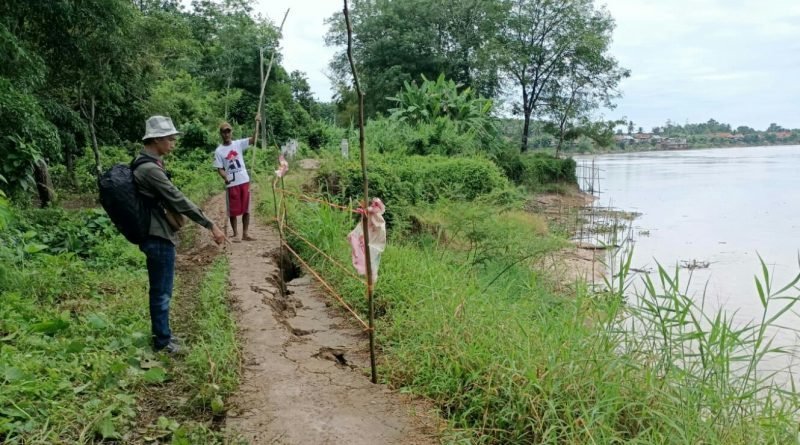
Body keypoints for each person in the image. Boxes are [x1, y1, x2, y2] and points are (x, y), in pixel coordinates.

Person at [135, 116, 226, 354]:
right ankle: (163, 342)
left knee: (162, 289)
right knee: (161, 291)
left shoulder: (145, 164)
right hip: (157, 236)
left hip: (155, 234)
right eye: (170, 138)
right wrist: (210, 224)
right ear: (156, 140)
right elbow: (178, 199)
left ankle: (163, 334)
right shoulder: (150, 170)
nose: (173, 143)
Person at [213, 115, 260, 241]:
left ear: (231, 132)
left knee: (246, 209)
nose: (227, 134)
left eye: (228, 131)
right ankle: (235, 234)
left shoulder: (238, 144)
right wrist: (225, 177)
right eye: (224, 132)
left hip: (244, 180)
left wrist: (257, 124)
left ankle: (245, 234)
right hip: (232, 183)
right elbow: (220, 168)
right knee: (233, 211)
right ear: (221, 134)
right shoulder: (219, 151)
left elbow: (254, 139)